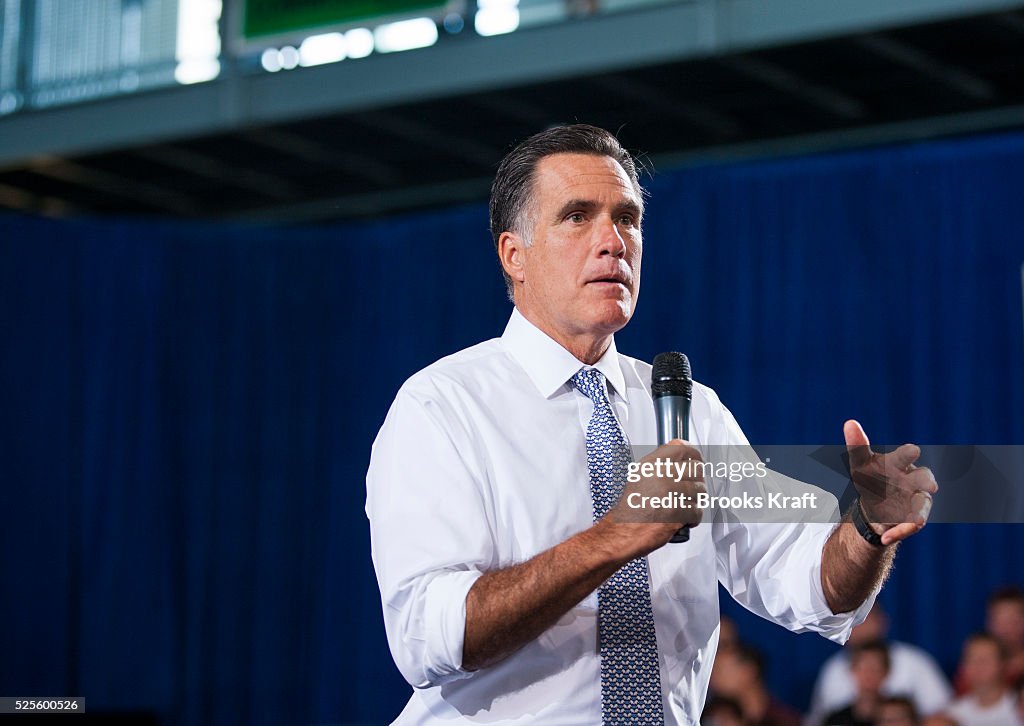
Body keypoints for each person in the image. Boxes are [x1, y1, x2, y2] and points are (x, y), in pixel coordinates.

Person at [365, 124, 938, 724]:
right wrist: (615, 538)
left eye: (628, 219)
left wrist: (865, 532)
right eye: (578, 217)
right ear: (515, 255)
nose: (612, 241)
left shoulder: (691, 409)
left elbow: (811, 584)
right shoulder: (443, 406)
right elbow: (428, 637)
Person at [805, 603, 951, 723]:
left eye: (863, 620)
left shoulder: (915, 662)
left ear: (882, 622)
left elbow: (941, 716)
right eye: (851, 623)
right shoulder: (833, 670)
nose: (859, 628)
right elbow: (818, 719)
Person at [709, 643, 801, 726]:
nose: (711, 679)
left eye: (718, 670)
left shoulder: (785, 721)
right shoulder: (713, 715)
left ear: (748, 672)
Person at [945, 633, 1023, 725]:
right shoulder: (952, 714)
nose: (978, 666)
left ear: (1003, 664)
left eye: (986, 659)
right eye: (972, 659)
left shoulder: (1020, 708)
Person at [822, 640, 891, 726]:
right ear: (852, 670)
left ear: (886, 671)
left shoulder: (897, 718)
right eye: (864, 668)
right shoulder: (836, 719)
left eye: (875, 668)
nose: (869, 674)